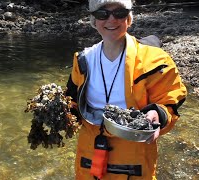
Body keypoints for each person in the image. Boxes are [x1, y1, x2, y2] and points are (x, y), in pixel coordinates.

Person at [65, 0, 187, 179]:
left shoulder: (156, 62)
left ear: (129, 18)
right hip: (89, 156)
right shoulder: (82, 60)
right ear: (94, 20)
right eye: (102, 14)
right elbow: (72, 102)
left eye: (119, 13)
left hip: (134, 156)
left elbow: (170, 100)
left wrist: (158, 114)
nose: (111, 20)